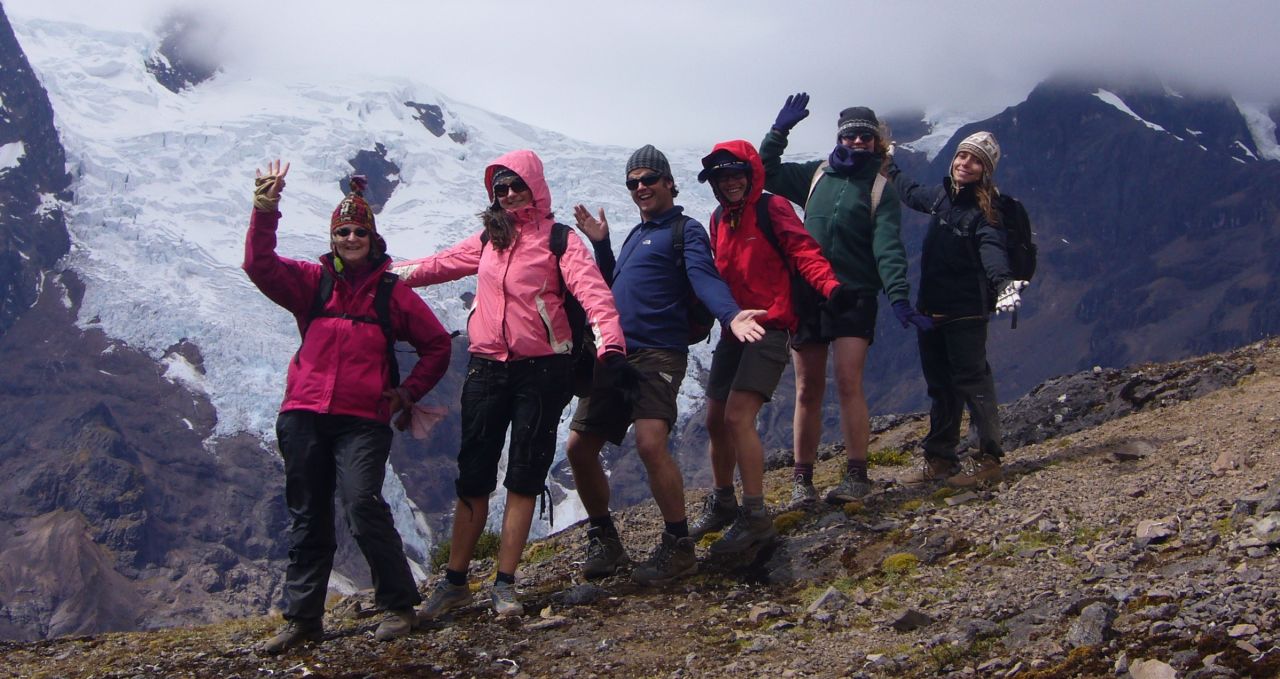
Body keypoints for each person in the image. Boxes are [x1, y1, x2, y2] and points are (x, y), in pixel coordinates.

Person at [393, 149, 629, 618]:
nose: (507, 194)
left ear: (535, 186)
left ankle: (504, 583)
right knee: (474, 473)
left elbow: (593, 293)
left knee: (524, 473)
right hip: (485, 368)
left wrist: (612, 346)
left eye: (515, 184)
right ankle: (455, 583)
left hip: (542, 372)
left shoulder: (560, 240)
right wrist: (377, 274)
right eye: (499, 188)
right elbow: (435, 265)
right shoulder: (489, 240)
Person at [244, 162, 452, 653]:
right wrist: (264, 210)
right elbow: (259, 264)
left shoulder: (391, 293)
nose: (352, 236)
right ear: (332, 236)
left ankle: (399, 606)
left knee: (362, 505)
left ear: (372, 237)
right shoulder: (311, 282)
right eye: (343, 230)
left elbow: (437, 345)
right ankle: (302, 619)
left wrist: (407, 393)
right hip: (303, 414)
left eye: (360, 230)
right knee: (308, 514)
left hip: (362, 420)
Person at [567, 144, 767, 585]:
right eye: (633, 182)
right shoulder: (636, 234)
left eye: (649, 180)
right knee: (579, 448)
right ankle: (606, 538)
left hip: (659, 352)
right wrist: (602, 247)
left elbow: (703, 277)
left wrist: (730, 314)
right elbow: (615, 287)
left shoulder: (685, 230)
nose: (641, 188)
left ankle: (678, 546)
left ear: (669, 183)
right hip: (616, 353)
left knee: (651, 442)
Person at [759, 94, 928, 506]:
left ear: (876, 144)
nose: (856, 142)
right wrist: (778, 131)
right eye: (850, 135)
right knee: (807, 389)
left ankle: (856, 474)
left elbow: (887, 246)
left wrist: (900, 297)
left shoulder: (879, 189)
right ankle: (803, 481)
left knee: (849, 383)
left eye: (864, 137)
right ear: (840, 137)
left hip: (855, 295)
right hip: (809, 293)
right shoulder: (815, 175)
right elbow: (765, 173)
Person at [693, 140, 853, 562]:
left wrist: (830, 287)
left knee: (737, 417)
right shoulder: (717, 219)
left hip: (770, 325)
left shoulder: (772, 208)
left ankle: (756, 514)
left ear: (750, 175)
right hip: (734, 330)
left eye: (735, 175)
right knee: (714, 418)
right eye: (721, 177)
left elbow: (803, 250)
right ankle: (724, 499)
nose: (729, 183)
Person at [883, 131, 1028, 486]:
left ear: (986, 169)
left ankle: (989, 459)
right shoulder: (940, 197)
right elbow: (910, 192)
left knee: (973, 383)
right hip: (930, 312)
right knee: (941, 387)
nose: (966, 164)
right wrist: (889, 166)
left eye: (976, 160)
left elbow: (992, 251)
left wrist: (1003, 284)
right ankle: (940, 460)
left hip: (965, 313)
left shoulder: (986, 213)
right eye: (963, 156)